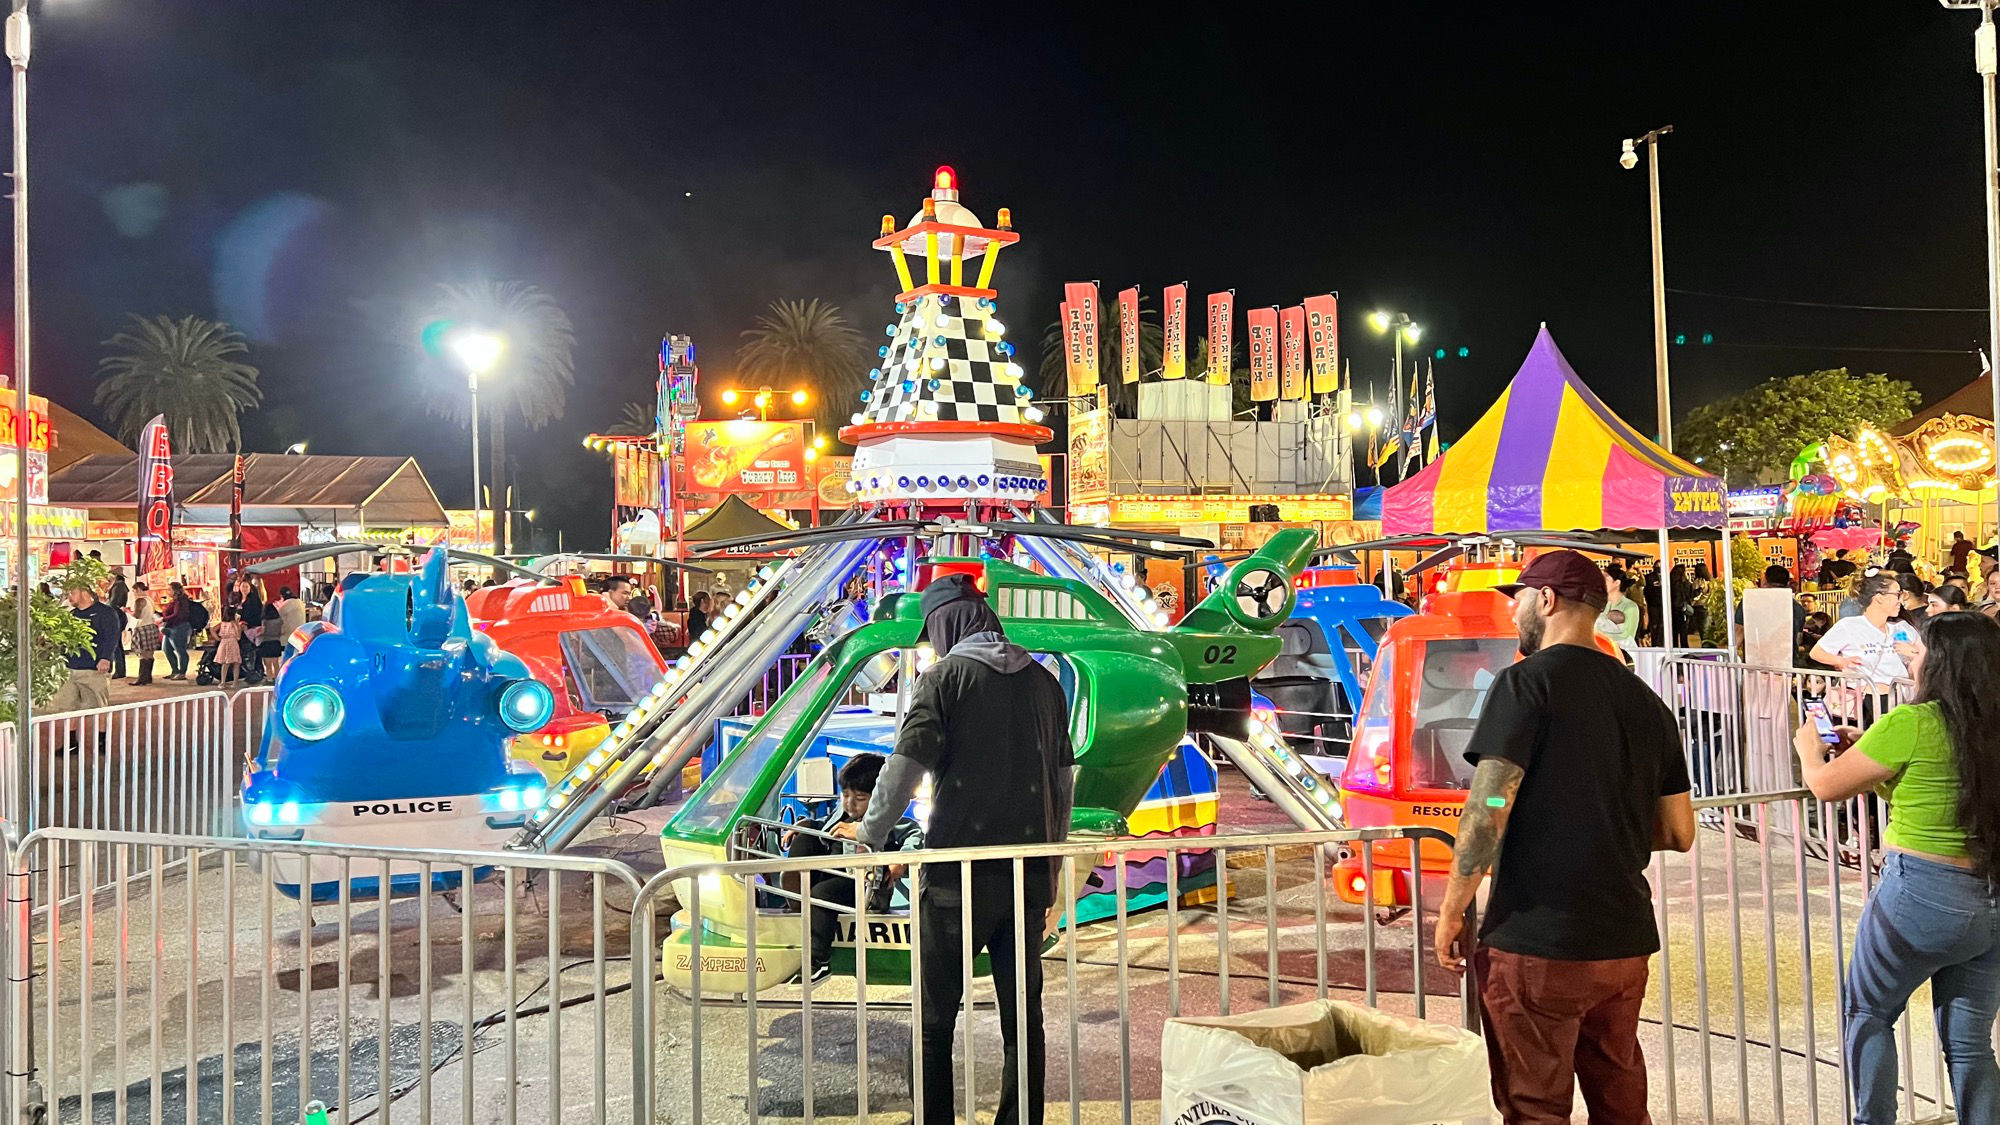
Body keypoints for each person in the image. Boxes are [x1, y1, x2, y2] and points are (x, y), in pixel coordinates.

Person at [1434, 551, 1695, 1124]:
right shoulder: (1646, 702)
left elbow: (1489, 807)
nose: (1515, 614)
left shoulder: (1525, 684)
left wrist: (1453, 908)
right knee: (1621, 1102)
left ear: (1547, 601)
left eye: (1519, 600)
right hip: (1624, 941)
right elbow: (1679, 832)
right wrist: (1598, 822)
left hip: (1539, 941)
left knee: (1534, 1106)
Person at [858, 574, 1074, 1125]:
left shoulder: (944, 679)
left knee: (934, 1019)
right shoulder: (1046, 683)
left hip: (957, 877)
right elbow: (1062, 784)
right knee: (1023, 1018)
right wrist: (1050, 865)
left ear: (947, 624)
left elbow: (903, 768)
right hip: (1025, 877)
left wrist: (870, 835)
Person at [1793, 613, 2000, 1123]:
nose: (1913, 657)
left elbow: (1825, 786)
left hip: (1921, 894)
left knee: (1868, 1013)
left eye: (1920, 649)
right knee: (1971, 1045)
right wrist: (1869, 748)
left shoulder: (1912, 722)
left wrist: (1807, 750)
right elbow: (1942, 782)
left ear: (1942, 663)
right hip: (1990, 899)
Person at [791, 753, 925, 981]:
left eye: (860, 798)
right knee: (806, 837)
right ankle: (793, 890)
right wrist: (805, 826)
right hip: (833, 873)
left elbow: (915, 836)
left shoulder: (889, 821)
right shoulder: (840, 814)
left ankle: (818, 961)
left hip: (866, 887)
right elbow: (825, 828)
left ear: (880, 799)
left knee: (822, 894)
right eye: (845, 795)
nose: (850, 803)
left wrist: (901, 859)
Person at [1812, 572, 1914, 689]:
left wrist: (1913, 654)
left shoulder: (1898, 629)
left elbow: (1913, 657)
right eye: (1897, 594)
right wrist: (1840, 661)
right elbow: (1817, 652)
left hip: (1899, 698)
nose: (1900, 601)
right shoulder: (1849, 626)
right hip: (1865, 698)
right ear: (1880, 597)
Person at [51, 583, 121, 716]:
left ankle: (100, 736)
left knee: (98, 708)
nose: (69, 597)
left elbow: (112, 637)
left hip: (93, 668)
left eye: (72, 593)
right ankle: (71, 736)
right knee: (69, 708)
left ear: (84, 592)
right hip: (71, 667)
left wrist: (105, 658)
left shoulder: (105, 613)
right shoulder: (72, 614)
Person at [1595, 569, 1641, 656]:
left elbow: (1627, 636)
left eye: (1606, 579)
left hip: (1622, 655)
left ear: (1617, 583)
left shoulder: (1630, 607)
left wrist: (1600, 636)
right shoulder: (1599, 604)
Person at [160, 581, 196, 681]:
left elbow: (177, 615)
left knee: (180, 650)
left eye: (170, 589)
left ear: (175, 590)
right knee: (166, 649)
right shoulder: (175, 601)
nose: (168, 591)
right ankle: (175, 670)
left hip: (180, 628)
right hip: (170, 628)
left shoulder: (181, 601)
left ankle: (182, 673)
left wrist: (164, 619)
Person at [128, 584, 161, 686]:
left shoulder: (139, 601)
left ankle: (142, 678)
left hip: (142, 627)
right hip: (151, 626)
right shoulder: (149, 599)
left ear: (138, 589)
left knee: (143, 654)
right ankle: (148, 677)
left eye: (133, 591)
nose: (133, 593)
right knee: (150, 654)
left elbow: (137, 615)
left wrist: (128, 611)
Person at [104, 566, 129, 680]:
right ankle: (119, 669)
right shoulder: (120, 586)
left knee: (115, 644)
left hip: (116, 616)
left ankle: (119, 670)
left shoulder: (118, 586)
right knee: (117, 644)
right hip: (118, 615)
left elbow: (113, 602)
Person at [213, 607, 244, 688]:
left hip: (223, 642)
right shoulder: (234, 623)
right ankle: (235, 682)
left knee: (225, 664)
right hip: (233, 642)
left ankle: (223, 682)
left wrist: (217, 638)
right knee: (236, 663)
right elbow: (238, 636)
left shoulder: (222, 623)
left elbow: (212, 629)